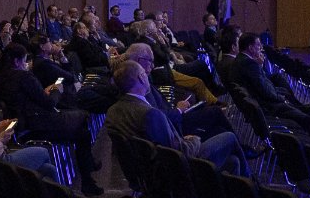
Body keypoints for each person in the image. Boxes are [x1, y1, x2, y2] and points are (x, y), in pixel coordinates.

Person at [0, 43, 102, 195]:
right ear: (16, 61)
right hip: (37, 125)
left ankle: (88, 170)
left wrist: (43, 92)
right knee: (82, 126)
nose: (26, 64)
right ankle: (87, 179)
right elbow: (49, 103)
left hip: (20, 126)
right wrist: (55, 90)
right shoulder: (23, 76)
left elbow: (27, 98)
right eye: (24, 60)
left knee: (80, 124)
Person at [105, 61, 247, 175]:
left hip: (142, 174)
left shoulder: (112, 112)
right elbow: (176, 153)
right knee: (229, 137)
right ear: (142, 78)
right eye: (144, 73)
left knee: (233, 161)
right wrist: (194, 139)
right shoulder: (150, 114)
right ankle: (254, 192)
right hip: (174, 173)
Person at [231, 33, 310, 138]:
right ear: (251, 48)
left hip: (256, 101)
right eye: (258, 45)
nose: (261, 48)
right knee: (289, 106)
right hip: (263, 105)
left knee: (285, 95)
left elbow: (261, 83)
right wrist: (279, 97)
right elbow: (264, 89)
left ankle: (309, 121)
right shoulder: (249, 64)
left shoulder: (242, 60)